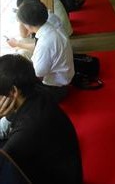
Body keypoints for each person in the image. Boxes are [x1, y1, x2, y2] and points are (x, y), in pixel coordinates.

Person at [0, 54, 83, 184]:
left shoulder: (27, 130)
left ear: (13, 92)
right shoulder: (35, 90)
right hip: (62, 167)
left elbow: (4, 163)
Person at [11, 0, 74, 102]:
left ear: (27, 24)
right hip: (63, 81)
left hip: (55, 89)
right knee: (20, 56)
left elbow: (38, 75)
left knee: (14, 94)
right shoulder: (51, 27)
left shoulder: (45, 43)